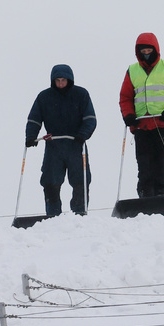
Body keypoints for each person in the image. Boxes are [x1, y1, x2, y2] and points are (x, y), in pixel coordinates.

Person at [119, 32, 164, 198]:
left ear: (155, 49)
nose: (146, 54)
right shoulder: (132, 71)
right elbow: (125, 98)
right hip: (141, 125)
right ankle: (145, 195)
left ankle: (161, 193)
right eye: (143, 51)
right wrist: (128, 115)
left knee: (161, 162)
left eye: (149, 50)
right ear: (138, 52)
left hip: (163, 123)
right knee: (143, 164)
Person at [25, 64, 97, 216]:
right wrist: (31, 136)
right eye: (57, 80)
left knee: (80, 181)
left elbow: (90, 119)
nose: (60, 84)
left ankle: (79, 213)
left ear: (69, 80)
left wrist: (83, 134)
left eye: (63, 80)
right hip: (54, 145)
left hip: (76, 144)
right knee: (50, 181)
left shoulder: (81, 94)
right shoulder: (44, 97)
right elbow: (34, 119)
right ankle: (53, 214)